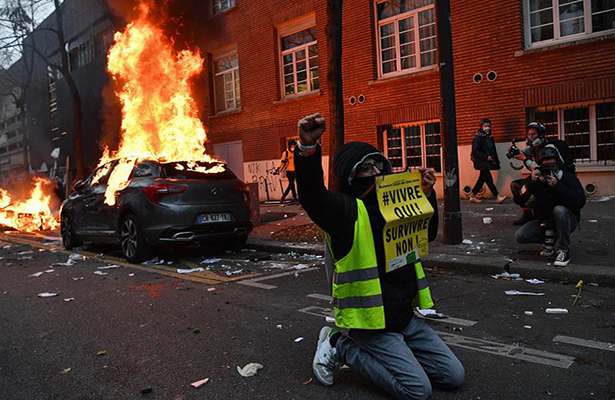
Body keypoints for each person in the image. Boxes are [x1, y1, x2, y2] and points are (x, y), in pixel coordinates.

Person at [295, 113, 464, 400]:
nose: (375, 171)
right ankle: (339, 344)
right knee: (417, 391)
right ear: (350, 177)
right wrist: (308, 149)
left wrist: (427, 194)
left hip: (404, 318)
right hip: (371, 324)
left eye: (378, 165)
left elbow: (428, 232)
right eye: (365, 168)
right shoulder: (345, 211)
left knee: (453, 376)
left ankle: (398, 353)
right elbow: (312, 196)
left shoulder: (396, 202)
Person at [513, 146, 586, 266]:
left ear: (558, 164)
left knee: (559, 210)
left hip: (567, 219)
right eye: (546, 168)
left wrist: (558, 186)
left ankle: (564, 250)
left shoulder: (567, 178)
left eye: (552, 167)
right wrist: (531, 182)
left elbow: (580, 201)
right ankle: (550, 241)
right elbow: (518, 199)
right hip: (545, 221)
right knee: (520, 236)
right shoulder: (536, 180)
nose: (549, 171)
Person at [510, 122, 575, 225]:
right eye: (529, 134)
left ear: (541, 135)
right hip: (540, 178)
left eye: (533, 134)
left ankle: (545, 216)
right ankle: (527, 215)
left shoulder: (549, 148)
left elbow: (542, 169)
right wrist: (514, 151)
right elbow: (524, 151)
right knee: (516, 186)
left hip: (552, 180)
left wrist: (524, 159)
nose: (530, 137)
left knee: (536, 194)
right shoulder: (534, 147)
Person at [469, 118, 506, 204]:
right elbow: (476, 151)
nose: (487, 128)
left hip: (486, 162)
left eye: (489, 126)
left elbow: (492, 150)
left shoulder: (488, 138)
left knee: (482, 179)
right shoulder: (478, 138)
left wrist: (494, 160)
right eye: (485, 126)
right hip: (482, 161)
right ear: (481, 127)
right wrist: (486, 157)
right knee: (488, 179)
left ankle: (472, 196)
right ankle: (497, 196)